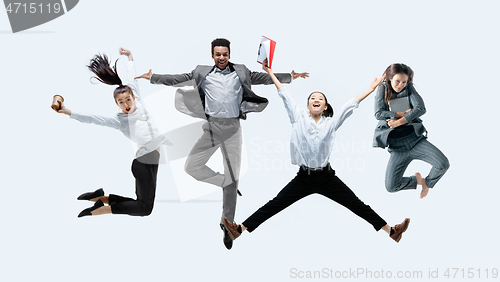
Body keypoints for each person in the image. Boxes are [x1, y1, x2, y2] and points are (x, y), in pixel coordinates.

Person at [135, 38, 308, 250]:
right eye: (218, 54)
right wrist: (153, 77)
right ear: (212, 55)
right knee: (192, 167)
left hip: (233, 129)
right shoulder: (202, 72)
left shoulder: (241, 71)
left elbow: (264, 78)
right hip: (212, 128)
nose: (222, 58)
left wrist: (290, 76)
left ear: (229, 54)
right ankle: (226, 183)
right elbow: (178, 79)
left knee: (233, 176)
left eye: (225, 54)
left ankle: (227, 224)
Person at [222, 60, 410, 246]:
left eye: (320, 99)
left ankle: (392, 232)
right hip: (304, 178)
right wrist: (270, 72)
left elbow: (351, 104)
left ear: (325, 106)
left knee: (357, 205)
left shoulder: (331, 124)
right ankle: (238, 230)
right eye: (313, 98)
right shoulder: (298, 118)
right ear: (308, 105)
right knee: (275, 204)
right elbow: (284, 94)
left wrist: (371, 89)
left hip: (327, 177)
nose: (316, 100)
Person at [56, 48, 165, 217]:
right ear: (117, 104)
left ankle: (100, 198)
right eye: (121, 102)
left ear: (133, 97)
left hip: (150, 161)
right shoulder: (120, 122)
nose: (126, 103)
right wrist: (68, 111)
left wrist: (130, 57)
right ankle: (104, 209)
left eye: (128, 99)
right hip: (144, 161)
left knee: (141, 205)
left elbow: (132, 79)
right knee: (145, 209)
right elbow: (93, 118)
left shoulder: (138, 102)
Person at [373, 63, 450, 198]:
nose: (400, 85)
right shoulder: (382, 89)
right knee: (391, 187)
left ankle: (427, 183)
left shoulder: (409, 88)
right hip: (398, 149)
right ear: (390, 78)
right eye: (397, 81)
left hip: (416, 141)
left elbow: (420, 109)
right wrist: (401, 114)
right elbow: (378, 114)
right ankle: (418, 181)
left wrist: (399, 122)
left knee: (443, 164)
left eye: (404, 81)